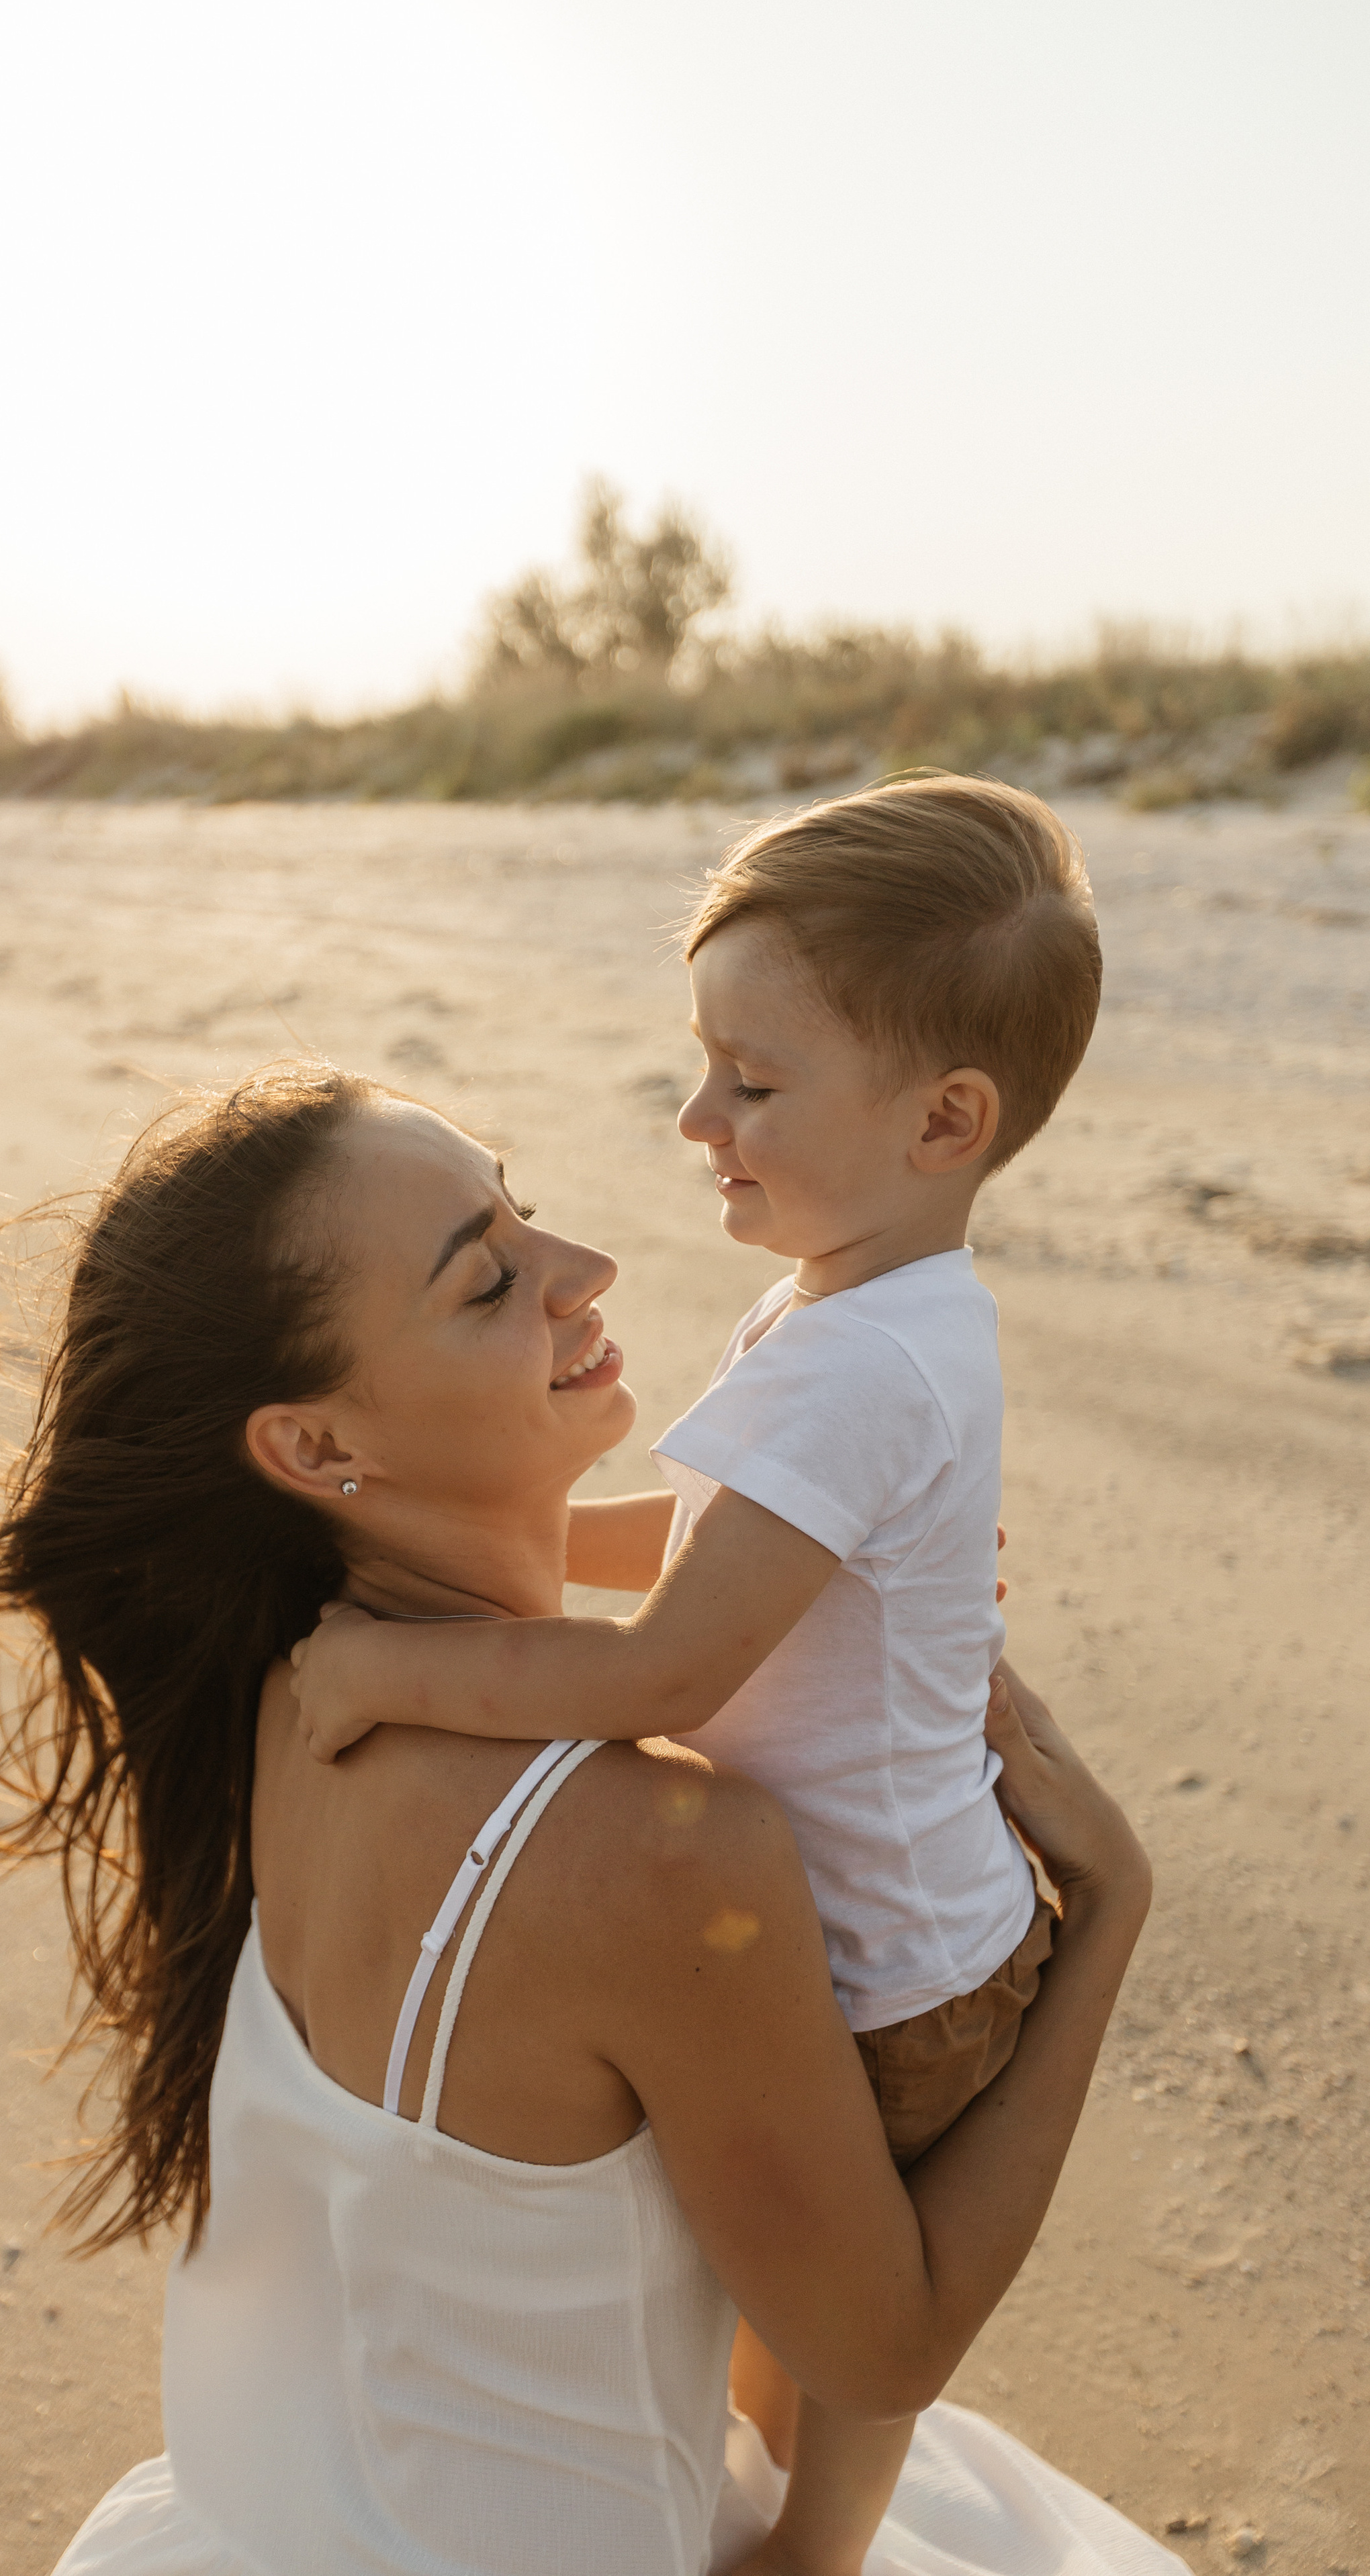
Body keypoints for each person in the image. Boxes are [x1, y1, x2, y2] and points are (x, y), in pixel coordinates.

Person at [0, 1063, 1160, 2576]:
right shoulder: (652, 1856)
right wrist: (1104, 1919)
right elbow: (877, 2350)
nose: (586, 1274)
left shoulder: (290, 1691)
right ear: (310, 1448)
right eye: (490, 1279)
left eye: (526, 1209)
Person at [288, 779, 1102, 2567]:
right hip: (874, 1902)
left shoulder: (858, 1366)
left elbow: (658, 1661)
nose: (694, 1119)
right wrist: (463, 1552)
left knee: (841, 2324)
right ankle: (778, 2493)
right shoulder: (846, 1303)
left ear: (945, 1121)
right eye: (702, 1065)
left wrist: (396, 1678)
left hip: (905, 1961)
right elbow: (700, 1541)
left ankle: (819, 2549)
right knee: (772, 2279)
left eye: (753, 1084)